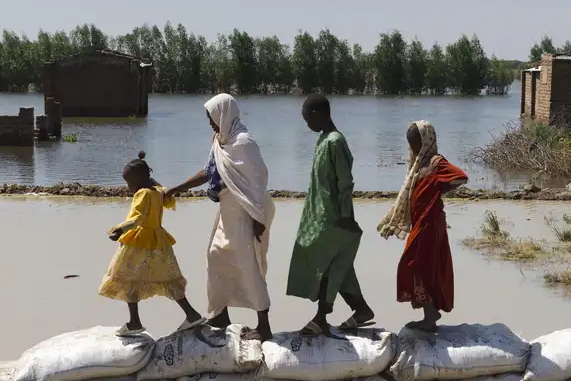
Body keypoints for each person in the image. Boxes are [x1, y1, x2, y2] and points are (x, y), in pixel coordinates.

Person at [166, 94, 275, 340]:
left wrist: (258, 219)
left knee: (248, 265)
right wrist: (176, 189)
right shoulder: (220, 140)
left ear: (224, 115)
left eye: (212, 118)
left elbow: (258, 181)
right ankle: (220, 314)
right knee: (215, 256)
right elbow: (209, 172)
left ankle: (264, 326)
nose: (211, 124)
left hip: (246, 211)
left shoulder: (244, 143)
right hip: (227, 209)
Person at [286, 94, 375, 336]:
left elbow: (345, 182)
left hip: (335, 217)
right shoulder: (324, 140)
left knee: (326, 264)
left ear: (318, 114)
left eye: (307, 120)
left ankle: (321, 317)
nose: (307, 125)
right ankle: (361, 309)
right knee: (340, 266)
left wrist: (345, 215)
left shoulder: (335, 141)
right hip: (321, 214)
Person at [376, 121, 468, 332]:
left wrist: (439, 190)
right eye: (411, 144)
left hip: (431, 222)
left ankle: (430, 313)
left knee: (413, 264)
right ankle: (430, 313)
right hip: (421, 222)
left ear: (427, 140)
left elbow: (461, 177)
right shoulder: (417, 164)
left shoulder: (437, 162)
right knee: (424, 266)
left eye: (417, 143)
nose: (414, 148)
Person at [99, 152, 204, 336]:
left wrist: (120, 229)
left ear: (138, 179)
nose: (128, 186)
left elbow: (137, 218)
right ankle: (192, 314)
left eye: (129, 181)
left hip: (139, 242)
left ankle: (134, 323)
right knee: (170, 279)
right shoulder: (158, 191)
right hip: (159, 242)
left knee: (127, 277)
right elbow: (161, 190)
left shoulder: (142, 193)